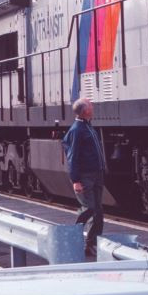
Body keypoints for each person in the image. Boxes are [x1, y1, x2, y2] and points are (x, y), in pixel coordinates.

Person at [61, 97, 106, 258]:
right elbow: (72, 157)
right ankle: (73, 238)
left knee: (98, 211)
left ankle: (92, 243)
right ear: (85, 110)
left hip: (96, 175)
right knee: (89, 208)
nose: (93, 107)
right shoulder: (77, 130)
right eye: (90, 105)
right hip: (85, 177)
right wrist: (76, 180)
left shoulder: (87, 127)